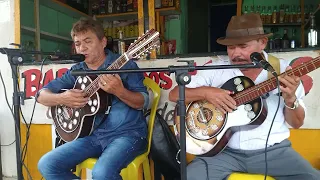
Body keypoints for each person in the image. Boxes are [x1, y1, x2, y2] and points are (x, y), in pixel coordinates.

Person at [169, 13, 320, 180]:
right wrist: (207, 92)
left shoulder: (283, 71)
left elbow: (296, 123)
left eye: (242, 46)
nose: (235, 54)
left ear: (262, 43)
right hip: (223, 154)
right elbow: (175, 94)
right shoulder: (216, 69)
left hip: (274, 153)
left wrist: (290, 99)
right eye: (231, 47)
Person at [37, 17, 149, 180]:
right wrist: (63, 98)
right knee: (47, 164)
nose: (82, 48)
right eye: (77, 43)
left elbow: (143, 102)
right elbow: (41, 95)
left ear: (103, 42)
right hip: (93, 136)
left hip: (127, 134)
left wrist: (120, 91)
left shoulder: (125, 65)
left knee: (101, 173)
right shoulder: (77, 70)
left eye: (87, 41)